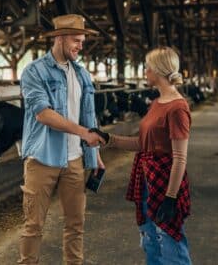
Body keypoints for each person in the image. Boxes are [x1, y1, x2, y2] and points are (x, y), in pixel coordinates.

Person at [18, 14, 106, 265]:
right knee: (33, 225)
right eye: (76, 40)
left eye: (82, 41)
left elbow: (89, 116)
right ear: (59, 38)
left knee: (76, 224)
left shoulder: (82, 74)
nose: (80, 46)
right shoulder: (34, 71)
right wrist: (83, 133)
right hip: (43, 158)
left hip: (75, 160)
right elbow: (44, 114)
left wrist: (94, 152)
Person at [93, 47, 192, 264]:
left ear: (158, 70)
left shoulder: (177, 108)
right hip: (148, 179)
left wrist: (171, 197)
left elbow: (179, 158)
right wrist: (108, 139)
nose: (145, 72)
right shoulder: (157, 103)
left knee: (169, 242)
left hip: (165, 182)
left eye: (147, 68)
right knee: (151, 241)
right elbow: (142, 144)